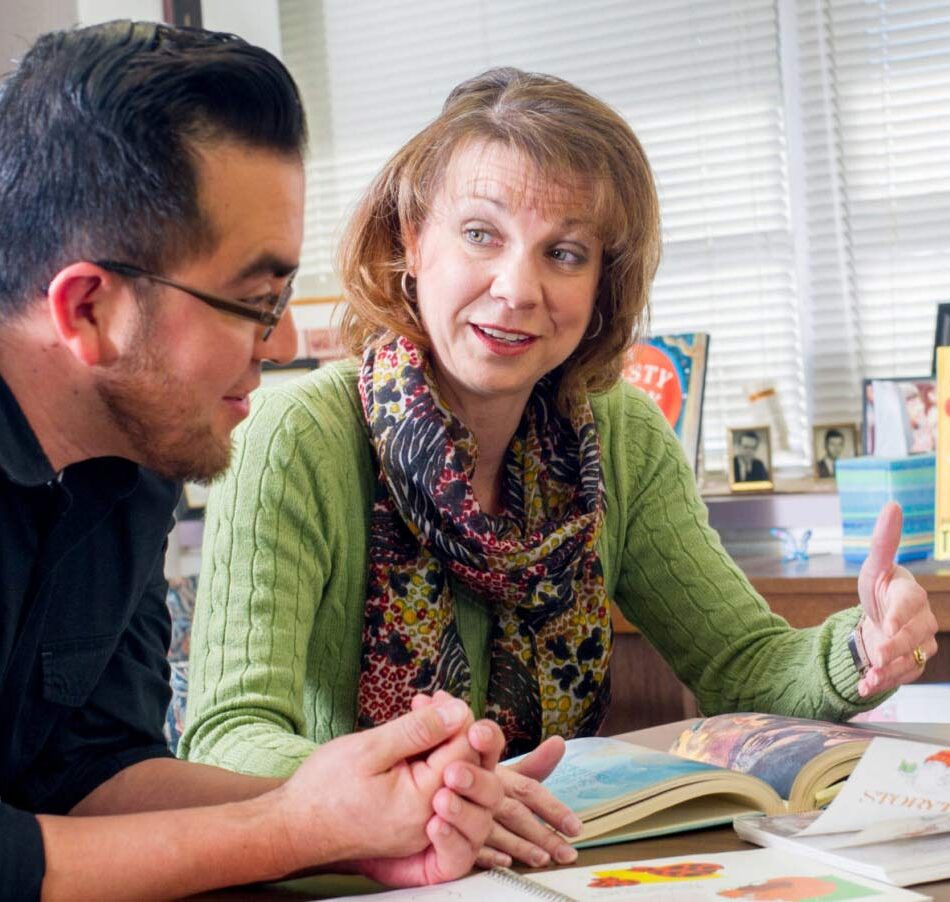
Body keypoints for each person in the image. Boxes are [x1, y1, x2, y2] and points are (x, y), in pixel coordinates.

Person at [182, 67, 939, 870]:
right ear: (411, 238)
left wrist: (864, 648)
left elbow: (742, 666)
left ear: (602, 283)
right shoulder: (298, 434)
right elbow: (227, 740)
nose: (517, 289)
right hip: (350, 881)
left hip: (551, 868)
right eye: (481, 234)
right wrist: (428, 795)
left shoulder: (618, 435)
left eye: (565, 253)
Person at [0, 21, 506, 900]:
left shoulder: (133, 447)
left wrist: (375, 814)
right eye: (255, 301)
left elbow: (89, 777)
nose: (284, 341)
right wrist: (288, 828)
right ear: (87, 310)